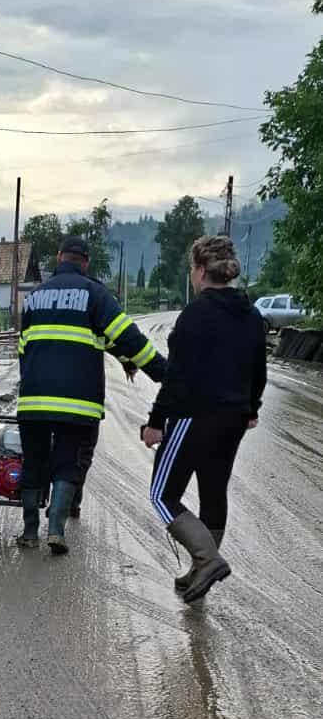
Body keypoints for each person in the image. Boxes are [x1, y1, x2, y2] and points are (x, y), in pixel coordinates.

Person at [17, 235, 166, 553]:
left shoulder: (33, 298)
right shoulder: (95, 294)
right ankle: (55, 530)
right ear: (85, 263)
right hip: (77, 403)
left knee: (33, 462)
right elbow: (127, 337)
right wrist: (164, 372)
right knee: (68, 462)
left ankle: (29, 532)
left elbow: (22, 349)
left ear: (59, 257)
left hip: (33, 399)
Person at [142, 234, 266, 604]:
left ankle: (207, 559)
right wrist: (251, 409)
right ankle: (200, 571)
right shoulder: (251, 315)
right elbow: (258, 371)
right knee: (214, 491)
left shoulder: (195, 315)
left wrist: (155, 422)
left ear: (199, 271)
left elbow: (176, 377)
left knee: (163, 495)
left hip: (193, 417)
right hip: (233, 419)